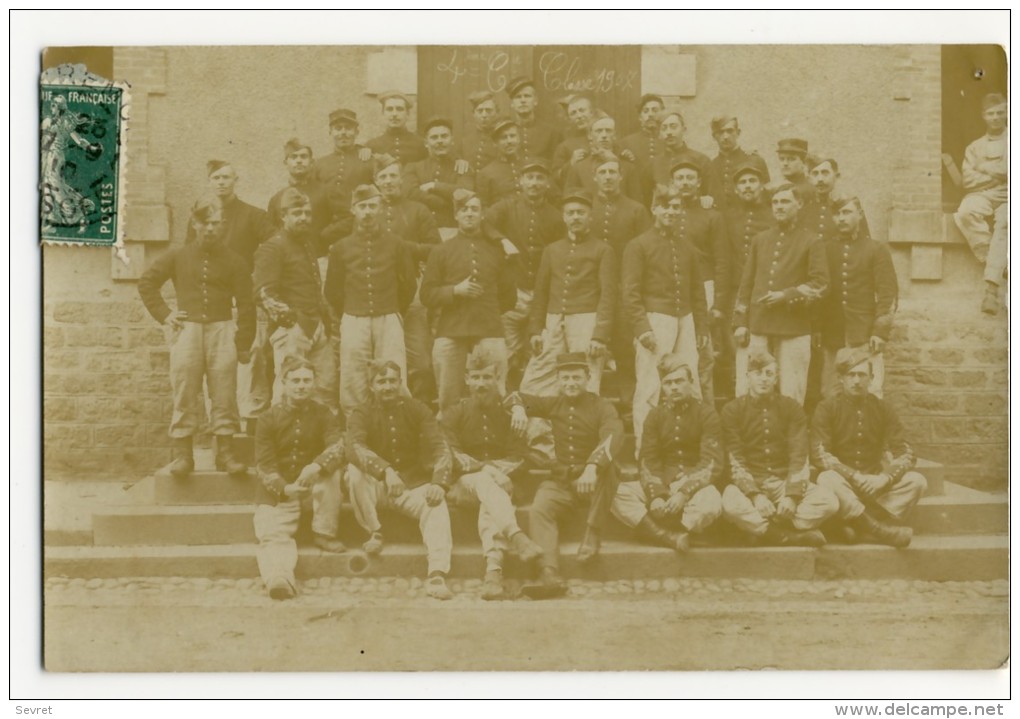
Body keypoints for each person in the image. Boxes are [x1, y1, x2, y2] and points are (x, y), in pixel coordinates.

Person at [138, 197, 255, 478]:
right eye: (206, 223)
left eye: (217, 223)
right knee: (184, 391)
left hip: (222, 330)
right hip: (187, 331)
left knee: (224, 394)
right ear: (195, 223)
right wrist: (166, 314)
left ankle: (225, 454)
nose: (211, 229)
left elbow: (247, 304)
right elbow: (147, 283)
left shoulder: (235, 261)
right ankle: (183, 456)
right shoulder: (178, 256)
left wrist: (242, 344)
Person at [509, 352, 625, 597]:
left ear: (588, 378)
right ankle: (549, 572)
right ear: (558, 381)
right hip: (563, 480)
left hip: (593, 480)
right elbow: (514, 397)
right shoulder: (554, 403)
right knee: (540, 506)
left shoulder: (602, 406)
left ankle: (592, 534)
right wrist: (519, 409)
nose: (570, 383)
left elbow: (613, 435)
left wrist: (593, 466)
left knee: (611, 469)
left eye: (576, 377)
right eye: (565, 378)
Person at [440, 348, 545, 600]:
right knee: (487, 483)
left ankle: (493, 573)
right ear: (466, 379)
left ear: (497, 378)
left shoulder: (510, 414)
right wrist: (485, 468)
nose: (480, 384)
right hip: (464, 486)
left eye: (487, 377)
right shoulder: (455, 412)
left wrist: (495, 471)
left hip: (502, 483)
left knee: (491, 495)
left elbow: (520, 456)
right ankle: (517, 536)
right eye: (475, 377)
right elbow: (450, 453)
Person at [345, 360, 455, 600]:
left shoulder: (418, 409)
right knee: (353, 473)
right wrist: (385, 471)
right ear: (371, 385)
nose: (387, 387)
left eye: (392, 381)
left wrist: (438, 482)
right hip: (377, 488)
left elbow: (440, 445)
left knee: (436, 502)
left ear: (400, 382)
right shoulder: (361, 412)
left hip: (411, 485)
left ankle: (437, 572)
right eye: (381, 381)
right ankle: (374, 531)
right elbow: (354, 447)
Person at [720, 351, 839, 546]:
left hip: (782, 482)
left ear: (776, 378)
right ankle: (786, 536)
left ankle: (763, 529)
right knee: (729, 503)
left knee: (829, 502)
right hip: (752, 483)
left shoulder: (790, 408)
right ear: (747, 377)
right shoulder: (732, 410)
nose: (763, 379)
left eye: (769, 374)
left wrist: (792, 496)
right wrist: (755, 495)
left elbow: (799, 455)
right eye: (757, 373)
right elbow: (735, 460)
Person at [253, 357, 347, 600]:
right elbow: (264, 464)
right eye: (295, 381)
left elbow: (337, 446)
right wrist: (284, 488)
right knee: (272, 533)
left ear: (314, 384)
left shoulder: (324, 413)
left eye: (307, 380)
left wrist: (317, 466)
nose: (301, 386)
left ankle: (324, 532)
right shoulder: (267, 418)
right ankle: (279, 577)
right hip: (281, 490)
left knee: (332, 473)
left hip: (313, 485)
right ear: (283, 383)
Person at [811, 348, 925, 548]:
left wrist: (884, 478)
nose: (856, 381)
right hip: (845, 484)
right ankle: (878, 530)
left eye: (862, 375)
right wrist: (854, 476)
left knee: (917, 481)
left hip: (875, 483)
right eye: (851, 375)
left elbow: (906, 452)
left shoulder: (882, 408)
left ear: (872, 378)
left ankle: (859, 526)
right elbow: (820, 454)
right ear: (841, 379)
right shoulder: (827, 408)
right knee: (825, 478)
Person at [187, 160, 274, 420]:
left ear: (236, 180)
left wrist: (258, 278)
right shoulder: (200, 217)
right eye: (216, 178)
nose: (222, 182)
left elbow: (273, 247)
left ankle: (251, 413)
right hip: (211, 298)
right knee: (213, 358)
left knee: (251, 351)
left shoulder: (254, 215)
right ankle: (220, 417)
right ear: (209, 182)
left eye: (226, 177)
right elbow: (188, 255)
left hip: (243, 295)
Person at [622, 185, 708, 450]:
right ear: (654, 208)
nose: (671, 211)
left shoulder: (686, 247)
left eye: (676, 207)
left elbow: (697, 290)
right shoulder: (638, 245)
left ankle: (692, 448)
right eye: (666, 206)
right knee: (649, 387)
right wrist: (642, 328)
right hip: (655, 321)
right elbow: (630, 292)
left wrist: (702, 327)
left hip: (686, 321)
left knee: (690, 382)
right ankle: (644, 451)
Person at [611, 355, 723, 551]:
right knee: (615, 493)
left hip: (692, 483)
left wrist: (684, 492)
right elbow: (648, 461)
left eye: (679, 381)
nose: (674, 387)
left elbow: (710, 462)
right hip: (661, 480)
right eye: (668, 383)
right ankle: (664, 535)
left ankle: (667, 530)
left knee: (711, 502)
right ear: (662, 387)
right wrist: (656, 495)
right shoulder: (655, 416)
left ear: (690, 382)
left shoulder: (706, 414)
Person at [324, 184, 420, 413]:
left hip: (388, 317)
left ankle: (396, 422)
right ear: (353, 210)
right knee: (354, 376)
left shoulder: (396, 244)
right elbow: (333, 290)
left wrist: (392, 310)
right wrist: (349, 312)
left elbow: (408, 285)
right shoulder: (341, 247)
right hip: (354, 318)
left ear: (380, 209)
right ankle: (355, 426)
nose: (367, 212)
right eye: (362, 206)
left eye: (372, 206)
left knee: (392, 372)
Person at [732, 183, 828, 405]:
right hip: (758, 324)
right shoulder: (761, 239)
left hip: (793, 325)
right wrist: (740, 322)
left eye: (785, 201)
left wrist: (786, 295)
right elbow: (746, 284)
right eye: (775, 202)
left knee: (791, 392)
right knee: (749, 388)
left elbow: (821, 284)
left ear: (799, 204)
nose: (779, 207)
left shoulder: (812, 240)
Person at [421, 190, 516, 413]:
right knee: (447, 398)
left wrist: (486, 311)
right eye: (464, 209)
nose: (469, 214)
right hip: (451, 329)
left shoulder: (496, 250)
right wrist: (455, 291)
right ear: (456, 215)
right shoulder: (441, 251)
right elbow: (427, 295)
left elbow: (508, 297)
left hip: (489, 328)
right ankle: (449, 443)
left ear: (482, 215)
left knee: (496, 394)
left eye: (475, 209)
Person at [521, 191, 616, 396]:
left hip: (586, 322)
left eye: (581, 213)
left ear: (590, 217)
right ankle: (540, 429)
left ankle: (584, 427)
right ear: (564, 217)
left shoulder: (603, 249)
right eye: (570, 213)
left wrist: (600, 336)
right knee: (536, 380)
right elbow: (541, 294)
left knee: (586, 380)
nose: (575, 217)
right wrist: (536, 329)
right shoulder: (552, 250)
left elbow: (608, 296)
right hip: (553, 321)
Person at [254, 188, 338, 411]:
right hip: (293, 329)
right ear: (284, 216)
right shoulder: (273, 246)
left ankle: (321, 444)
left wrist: (323, 321)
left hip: (317, 327)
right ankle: (281, 443)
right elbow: (263, 292)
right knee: (287, 392)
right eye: (297, 213)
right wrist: (291, 320)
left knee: (324, 389)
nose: (303, 218)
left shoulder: (307, 244)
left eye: (307, 213)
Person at [484, 157, 566, 385]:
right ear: (520, 181)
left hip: (541, 294)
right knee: (508, 350)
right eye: (529, 177)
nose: (534, 183)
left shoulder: (555, 216)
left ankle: (530, 401)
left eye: (540, 178)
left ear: (548, 183)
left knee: (537, 350)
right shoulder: (506, 206)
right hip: (512, 292)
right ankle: (505, 399)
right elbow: (485, 222)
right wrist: (502, 240)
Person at [818, 194, 897, 399]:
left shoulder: (876, 249)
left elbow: (888, 294)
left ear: (860, 215)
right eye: (837, 214)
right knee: (830, 394)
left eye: (847, 212)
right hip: (832, 335)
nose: (841, 218)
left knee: (870, 393)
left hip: (864, 335)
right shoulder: (825, 249)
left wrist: (880, 331)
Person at [670, 154, 730, 405]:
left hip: (704, 287)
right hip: (672, 291)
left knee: (703, 353)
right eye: (680, 178)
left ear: (699, 182)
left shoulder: (711, 216)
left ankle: (706, 411)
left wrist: (718, 303)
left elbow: (722, 261)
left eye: (690, 178)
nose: (685, 183)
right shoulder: (666, 213)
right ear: (673, 182)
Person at [719, 157, 774, 400]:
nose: (748, 186)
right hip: (737, 292)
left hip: (767, 294)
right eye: (742, 182)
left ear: (762, 184)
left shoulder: (774, 213)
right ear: (736, 188)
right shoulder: (727, 216)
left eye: (753, 181)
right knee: (737, 348)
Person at [954, 92, 1008, 315]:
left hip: (1010, 196)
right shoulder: (974, 147)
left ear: (1007, 113)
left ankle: (991, 287)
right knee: (965, 212)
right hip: (983, 194)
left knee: (1008, 221)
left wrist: (984, 170)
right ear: (983, 117)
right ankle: (998, 264)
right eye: (990, 114)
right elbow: (968, 180)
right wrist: (999, 174)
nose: (995, 117)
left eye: (1000, 113)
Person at [403, 117, 474, 228]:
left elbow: (465, 194)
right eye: (434, 137)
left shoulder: (462, 167)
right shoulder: (413, 168)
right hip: (420, 229)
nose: (440, 141)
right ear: (426, 143)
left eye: (444, 136)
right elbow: (410, 194)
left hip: (451, 229)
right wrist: (447, 203)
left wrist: (435, 186)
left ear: (452, 140)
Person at [267, 138, 332, 256]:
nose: (299, 161)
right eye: (293, 157)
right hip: (289, 262)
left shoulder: (326, 192)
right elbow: (272, 232)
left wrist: (323, 237)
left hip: (320, 257)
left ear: (312, 162)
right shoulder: (276, 199)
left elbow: (344, 219)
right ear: (286, 163)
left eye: (303, 157)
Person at [312, 108, 374, 227]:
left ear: (357, 132)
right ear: (330, 132)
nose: (343, 132)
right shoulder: (319, 164)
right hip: (326, 225)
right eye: (338, 128)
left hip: (358, 225)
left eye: (348, 128)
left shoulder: (368, 159)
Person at [563, 116, 643, 202]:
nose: (604, 135)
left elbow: (637, 202)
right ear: (590, 136)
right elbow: (570, 201)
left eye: (608, 131)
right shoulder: (578, 167)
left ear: (615, 135)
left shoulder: (628, 166)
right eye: (599, 131)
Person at [706, 116, 769, 211]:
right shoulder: (711, 165)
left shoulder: (755, 160)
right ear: (714, 136)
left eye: (730, 131)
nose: (725, 136)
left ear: (738, 133)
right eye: (720, 132)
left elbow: (766, 196)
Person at [650, 111, 712, 195]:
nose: (669, 132)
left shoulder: (702, 160)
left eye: (673, 127)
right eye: (664, 128)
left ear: (684, 129)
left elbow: (711, 195)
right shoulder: (653, 163)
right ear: (659, 134)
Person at [619, 93, 665, 201]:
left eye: (654, 110)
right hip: (636, 197)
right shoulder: (625, 143)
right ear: (640, 117)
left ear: (662, 114)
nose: (650, 114)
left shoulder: (669, 141)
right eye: (645, 111)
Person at [505, 76, 561, 161]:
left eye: (527, 96)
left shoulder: (551, 132)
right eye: (518, 97)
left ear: (535, 101)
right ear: (512, 104)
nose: (523, 100)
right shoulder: (505, 133)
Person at [365, 90, 427, 165]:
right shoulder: (372, 145)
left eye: (399, 109)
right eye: (390, 109)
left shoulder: (420, 144)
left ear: (407, 114)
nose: (394, 114)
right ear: (383, 113)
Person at [476, 118, 527, 206]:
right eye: (504, 137)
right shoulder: (486, 173)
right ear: (495, 143)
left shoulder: (530, 165)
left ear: (519, 139)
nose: (509, 141)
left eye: (513, 136)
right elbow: (483, 208)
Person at [551, 93, 597, 177]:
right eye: (573, 113)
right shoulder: (564, 146)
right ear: (569, 119)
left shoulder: (606, 136)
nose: (578, 116)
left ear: (591, 112)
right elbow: (555, 177)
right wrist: (571, 163)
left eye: (582, 110)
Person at [459, 90, 501, 173]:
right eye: (480, 111)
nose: (484, 115)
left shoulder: (502, 137)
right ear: (473, 114)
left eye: (488, 110)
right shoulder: (466, 139)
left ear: (497, 113)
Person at [773, 138, 815, 204]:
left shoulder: (808, 191)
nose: (785, 163)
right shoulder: (776, 188)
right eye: (782, 159)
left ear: (803, 162)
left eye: (791, 159)